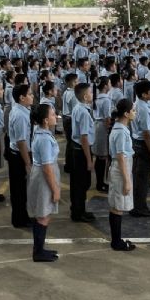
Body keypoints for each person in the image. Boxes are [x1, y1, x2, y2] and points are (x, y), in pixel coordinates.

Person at [26, 103, 60, 262]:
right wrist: (55, 189)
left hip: (42, 175)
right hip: (43, 178)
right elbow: (47, 167)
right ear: (46, 120)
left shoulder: (41, 132)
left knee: (44, 213)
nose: (56, 117)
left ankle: (40, 249)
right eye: (53, 115)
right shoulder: (44, 138)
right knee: (43, 214)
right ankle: (38, 251)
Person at [108, 98, 136, 252]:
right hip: (120, 170)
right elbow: (120, 157)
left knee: (117, 205)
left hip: (122, 168)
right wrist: (126, 180)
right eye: (133, 110)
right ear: (126, 113)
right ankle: (116, 241)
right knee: (117, 206)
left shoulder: (121, 128)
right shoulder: (120, 132)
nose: (135, 113)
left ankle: (117, 239)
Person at [129, 80, 150, 217]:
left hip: (137, 143)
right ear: (144, 94)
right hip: (143, 145)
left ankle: (139, 205)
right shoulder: (143, 109)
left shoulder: (140, 104)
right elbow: (146, 134)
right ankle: (139, 207)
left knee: (139, 176)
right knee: (142, 179)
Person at [7, 85, 33, 229]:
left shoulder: (19, 110)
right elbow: (21, 141)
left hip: (17, 153)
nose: (32, 96)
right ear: (22, 98)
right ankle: (19, 219)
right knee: (19, 190)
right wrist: (27, 162)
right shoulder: (20, 115)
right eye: (29, 94)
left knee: (20, 189)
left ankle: (21, 216)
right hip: (18, 156)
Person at [70, 83, 95, 223]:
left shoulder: (78, 108)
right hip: (82, 151)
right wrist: (89, 160)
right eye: (90, 93)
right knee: (82, 183)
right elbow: (84, 137)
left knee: (77, 183)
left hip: (77, 149)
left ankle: (77, 209)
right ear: (85, 96)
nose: (92, 95)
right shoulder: (84, 113)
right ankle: (78, 212)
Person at [93, 77, 113, 193]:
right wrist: (109, 131)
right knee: (102, 157)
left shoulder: (97, 98)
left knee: (100, 157)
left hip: (97, 126)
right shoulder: (106, 100)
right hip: (102, 129)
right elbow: (107, 119)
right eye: (109, 82)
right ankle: (100, 183)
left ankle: (100, 181)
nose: (110, 84)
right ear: (105, 86)